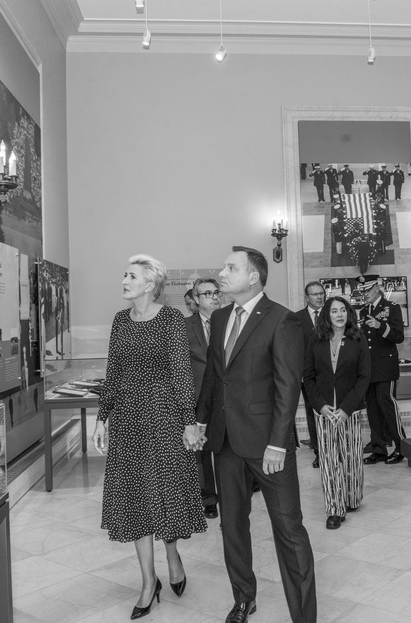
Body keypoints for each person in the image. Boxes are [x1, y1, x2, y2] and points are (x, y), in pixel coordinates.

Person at [188, 246, 316, 623]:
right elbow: (214, 377)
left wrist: (278, 441)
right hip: (225, 442)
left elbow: (287, 385)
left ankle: (304, 616)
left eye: (231, 268)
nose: (222, 273)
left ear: (254, 277)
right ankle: (244, 598)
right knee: (232, 527)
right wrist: (199, 422)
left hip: (268, 445)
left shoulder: (282, 320)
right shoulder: (222, 315)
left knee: (289, 530)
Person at [92, 254, 207, 620]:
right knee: (136, 499)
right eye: (124, 274)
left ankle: (172, 554)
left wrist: (189, 419)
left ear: (150, 284)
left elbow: (180, 371)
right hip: (127, 420)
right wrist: (101, 418)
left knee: (165, 494)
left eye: (132, 276)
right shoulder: (119, 321)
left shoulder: (171, 319)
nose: (124, 280)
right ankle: (147, 580)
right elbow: (113, 371)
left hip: (164, 417)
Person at [303, 295, 370, 530]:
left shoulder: (358, 339)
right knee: (330, 460)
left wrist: (346, 408)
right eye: (334, 311)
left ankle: (351, 498)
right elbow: (308, 376)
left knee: (351, 458)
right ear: (326, 315)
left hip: (349, 411)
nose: (339, 315)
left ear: (348, 313)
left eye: (343, 310)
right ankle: (334, 509)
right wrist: (320, 405)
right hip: (324, 412)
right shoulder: (316, 339)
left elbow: (364, 377)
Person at [359, 278, 406, 465]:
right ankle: (379, 450)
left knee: (387, 406)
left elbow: (398, 336)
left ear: (377, 288)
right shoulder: (363, 311)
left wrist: (380, 326)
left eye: (368, 290)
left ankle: (401, 446)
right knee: (372, 410)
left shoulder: (392, 307)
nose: (365, 294)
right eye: (362, 291)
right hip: (368, 369)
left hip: (386, 368)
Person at [186, 277, 222, 519]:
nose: (215, 296)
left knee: (228, 447)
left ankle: (234, 493)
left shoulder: (230, 322)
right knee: (200, 450)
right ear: (196, 300)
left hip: (227, 396)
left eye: (216, 292)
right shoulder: (183, 326)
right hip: (197, 396)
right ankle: (208, 497)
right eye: (208, 293)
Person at [295, 281, 326, 467]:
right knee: (312, 412)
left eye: (321, 293)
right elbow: (294, 347)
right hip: (307, 375)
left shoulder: (332, 314)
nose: (319, 297)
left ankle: (334, 447)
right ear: (307, 297)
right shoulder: (296, 318)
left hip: (330, 374)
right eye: (314, 294)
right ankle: (318, 451)